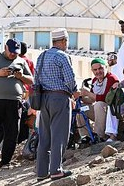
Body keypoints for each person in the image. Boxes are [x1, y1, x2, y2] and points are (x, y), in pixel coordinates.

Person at [0, 39, 33, 173]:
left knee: (12, 133)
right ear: (5, 48)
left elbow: (32, 80)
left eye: (15, 53)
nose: (13, 55)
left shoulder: (21, 61)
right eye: (11, 52)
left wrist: (20, 76)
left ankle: (5, 162)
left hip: (14, 102)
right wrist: (0, 73)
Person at [35, 28, 77, 181]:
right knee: (59, 135)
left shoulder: (41, 56)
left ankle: (41, 172)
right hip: (59, 98)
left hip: (43, 98)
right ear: (64, 41)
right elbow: (70, 79)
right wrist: (75, 92)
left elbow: (36, 80)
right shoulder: (62, 56)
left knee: (44, 136)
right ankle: (56, 170)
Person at [75, 58, 119, 141]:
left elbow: (106, 98)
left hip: (109, 112)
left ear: (106, 67)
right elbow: (92, 99)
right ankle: (86, 136)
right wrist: (82, 97)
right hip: (98, 112)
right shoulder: (95, 80)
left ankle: (100, 135)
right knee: (81, 109)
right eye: (95, 70)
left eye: (100, 68)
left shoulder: (111, 78)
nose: (98, 72)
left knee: (99, 104)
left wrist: (88, 93)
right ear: (92, 71)